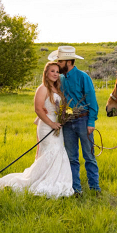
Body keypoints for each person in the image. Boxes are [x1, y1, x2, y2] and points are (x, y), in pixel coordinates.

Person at [0, 62, 74, 198]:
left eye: (57, 72)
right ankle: (36, 181)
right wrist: (51, 123)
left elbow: (60, 108)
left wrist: (66, 115)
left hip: (57, 125)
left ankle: (55, 181)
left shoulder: (57, 89)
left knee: (58, 152)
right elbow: (38, 109)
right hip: (47, 125)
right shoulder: (43, 88)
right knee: (51, 153)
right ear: (46, 73)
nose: (55, 74)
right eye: (52, 71)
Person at [48, 46, 100, 197]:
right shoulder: (60, 79)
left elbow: (92, 101)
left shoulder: (84, 77)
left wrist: (91, 122)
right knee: (71, 157)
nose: (57, 64)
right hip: (67, 123)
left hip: (83, 120)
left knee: (89, 156)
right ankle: (76, 189)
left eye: (60, 61)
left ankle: (95, 188)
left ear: (69, 61)